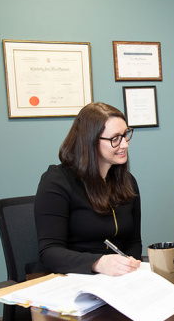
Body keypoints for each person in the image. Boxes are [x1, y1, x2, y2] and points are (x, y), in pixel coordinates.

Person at [34, 102, 142, 276]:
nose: (124, 145)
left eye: (125, 135)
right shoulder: (57, 181)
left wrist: (129, 267)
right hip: (70, 278)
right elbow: (49, 252)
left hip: (117, 281)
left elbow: (134, 242)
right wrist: (98, 263)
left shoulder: (128, 182)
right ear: (90, 141)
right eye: (115, 139)